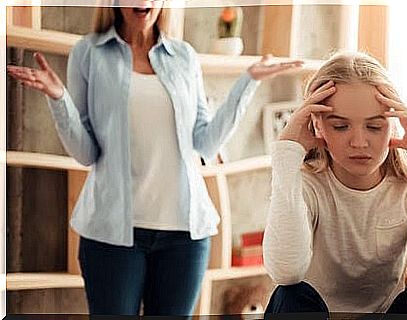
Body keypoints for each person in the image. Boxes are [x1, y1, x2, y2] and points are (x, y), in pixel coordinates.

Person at [7, 1, 302, 316]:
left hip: (184, 238)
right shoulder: (89, 53)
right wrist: (58, 98)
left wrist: (248, 82)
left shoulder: (184, 56)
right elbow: (86, 153)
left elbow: (205, 143)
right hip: (112, 235)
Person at [262, 51, 407, 315]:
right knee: (289, 295)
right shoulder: (307, 188)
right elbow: (285, 271)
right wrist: (286, 155)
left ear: (394, 123)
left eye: (374, 127)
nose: (359, 142)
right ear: (317, 126)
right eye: (341, 126)